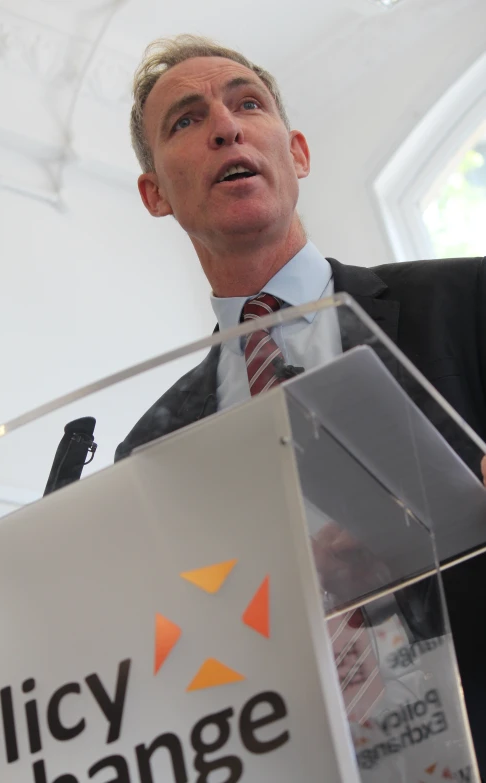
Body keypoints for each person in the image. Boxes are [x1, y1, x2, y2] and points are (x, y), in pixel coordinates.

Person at [116, 35, 486, 772]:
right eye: (187, 121)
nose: (226, 125)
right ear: (155, 192)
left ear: (299, 153)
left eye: (247, 103)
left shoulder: (468, 301)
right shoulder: (149, 455)